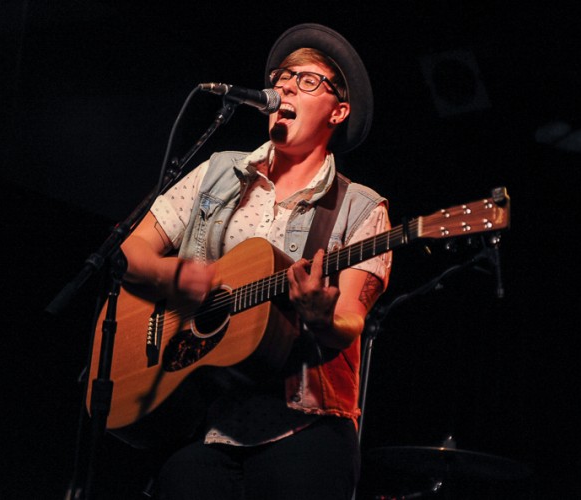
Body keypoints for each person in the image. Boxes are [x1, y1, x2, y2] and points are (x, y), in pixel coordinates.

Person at [120, 23, 392, 499]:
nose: (286, 87)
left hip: (304, 431)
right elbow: (129, 251)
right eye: (282, 77)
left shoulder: (361, 208)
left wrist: (320, 317)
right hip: (200, 422)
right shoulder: (217, 172)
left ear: (338, 111)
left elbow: (350, 319)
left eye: (307, 80)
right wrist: (173, 274)